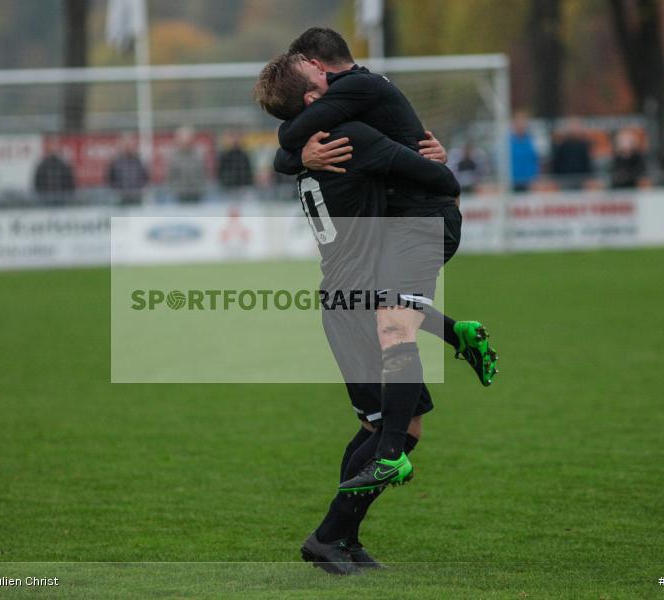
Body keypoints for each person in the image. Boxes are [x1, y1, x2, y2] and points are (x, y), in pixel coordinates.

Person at [255, 46, 496, 574]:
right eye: (321, 73)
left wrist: (295, 155)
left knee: (391, 427)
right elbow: (435, 179)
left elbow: (288, 153)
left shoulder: (318, 147)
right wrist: (434, 160)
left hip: (349, 298)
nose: (332, 75)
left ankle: (343, 540)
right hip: (353, 308)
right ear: (316, 96)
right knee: (394, 431)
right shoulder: (354, 139)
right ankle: (329, 537)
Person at [166, 126, 207, 203]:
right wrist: (175, 190)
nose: (186, 142)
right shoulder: (174, 158)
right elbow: (170, 177)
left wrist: (200, 189)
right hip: (179, 196)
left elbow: (203, 174)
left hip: (197, 195)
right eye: (183, 139)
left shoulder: (198, 156)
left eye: (188, 139)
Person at [551, 117, 593, 190]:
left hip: (581, 179)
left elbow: (587, 163)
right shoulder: (562, 146)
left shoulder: (584, 146)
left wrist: (588, 177)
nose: (574, 129)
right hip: (564, 179)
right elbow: (557, 163)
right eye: (572, 127)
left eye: (576, 127)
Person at [106, 134, 148, 204]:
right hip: (120, 197)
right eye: (126, 144)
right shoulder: (115, 162)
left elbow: (145, 177)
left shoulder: (139, 161)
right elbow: (110, 178)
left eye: (130, 144)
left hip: (137, 197)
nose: (128, 147)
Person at [509, 111, 538, 192]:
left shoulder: (532, 141)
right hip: (511, 183)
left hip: (529, 182)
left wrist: (534, 178)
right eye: (518, 122)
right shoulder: (507, 142)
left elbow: (535, 160)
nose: (521, 125)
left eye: (523, 122)